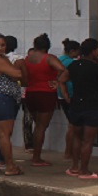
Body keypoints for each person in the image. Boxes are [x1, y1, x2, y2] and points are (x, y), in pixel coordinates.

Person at [59, 39, 98, 179]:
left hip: (76, 104)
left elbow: (62, 80)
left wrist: (66, 97)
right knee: (88, 140)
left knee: (77, 137)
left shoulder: (73, 65)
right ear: (93, 51)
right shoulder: (96, 67)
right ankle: (84, 170)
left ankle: (74, 167)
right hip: (92, 105)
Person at [0, 33, 26, 176]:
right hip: (2, 98)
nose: (1, 48)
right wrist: (15, 69)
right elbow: (17, 74)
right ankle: (9, 166)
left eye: (3, 45)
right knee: (4, 134)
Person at [24, 33, 66, 166]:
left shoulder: (28, 58)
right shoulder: (49, 58)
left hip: (30, 93)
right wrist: (57, 80)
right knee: (41, 127)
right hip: (45, 93)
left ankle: (35, 154)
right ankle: (36, 157)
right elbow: (62, 69)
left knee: (38, 126)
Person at [58, 38, 80, 159]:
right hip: (69, 94)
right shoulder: (71, 63)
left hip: (61, 94)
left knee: (71, 124)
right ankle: (68, 151)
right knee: (72, 125)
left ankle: (69, 151)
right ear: (72, 51)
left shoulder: (59, 59)